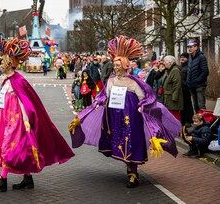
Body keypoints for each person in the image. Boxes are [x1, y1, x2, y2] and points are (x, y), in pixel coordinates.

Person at [69, 35, 181, 188]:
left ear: (125, 65)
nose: (115, 67)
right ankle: (129, 169)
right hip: (114, 118)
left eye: (118, 65)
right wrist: (86, 113)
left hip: (131, 117)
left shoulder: (133, 82)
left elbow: (145, 97)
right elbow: (103, 97)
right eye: (114, 65)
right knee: (119, 142)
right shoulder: (111, 81)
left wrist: (142, 106)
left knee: (131, 142)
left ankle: (133, 173)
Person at [0, 37, 74, 192]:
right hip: (7, 119)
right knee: (21, 148)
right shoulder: (7, 80)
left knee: (9, 148)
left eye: (2, 61)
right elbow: (4, 99)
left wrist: (26, 120)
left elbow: (25, 102)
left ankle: (2, 180)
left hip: (17, 121)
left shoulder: (18, 80)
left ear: (9, 63)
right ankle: (28, 179)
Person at [186, 39, 209, 112]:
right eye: (188, 47)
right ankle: (198, 123)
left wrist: (197, 81)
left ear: (196, 47)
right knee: (195, 106)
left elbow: (205, 72)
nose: (189, 48)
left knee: (201, 105)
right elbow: (189, 71)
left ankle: (204, 122)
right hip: (191, 86)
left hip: (199, 86)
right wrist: (188, 82)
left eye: (191, 47)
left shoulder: (201, 57)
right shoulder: (190, 57)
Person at [163, 56, 183, 121]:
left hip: (172, 98)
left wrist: (175, 98)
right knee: (171, 115)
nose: (164, 63)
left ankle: (177, 130)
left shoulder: (175, 70)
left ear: (170, 62)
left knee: (175, 115)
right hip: (169, 97)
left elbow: (177, 85)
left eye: (165, 61)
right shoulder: (170, 70)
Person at [179, 52, 194, 125]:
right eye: (181, 57)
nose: (182, 58)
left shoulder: (188, 67)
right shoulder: (180, 66)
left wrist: (185, 84)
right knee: (183, 105)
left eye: (184, 57)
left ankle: (189, 120)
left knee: (187, 104)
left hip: (186, 88)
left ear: (187, 58)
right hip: (181, 88)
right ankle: (184, 120)